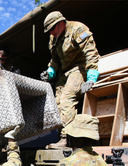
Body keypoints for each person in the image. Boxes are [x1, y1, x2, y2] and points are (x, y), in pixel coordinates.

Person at [42, 11, 100, 148]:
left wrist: (91, 76)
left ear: (61, 22)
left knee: (67, 99)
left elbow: (91, 52)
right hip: (65, 72)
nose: (51, 33)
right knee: (56, 103)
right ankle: (61, 135)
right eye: (48, 31)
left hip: (80, 68)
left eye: (52, 29)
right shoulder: (53, 38)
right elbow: (55, 60)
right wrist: (50, 72)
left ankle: (66, 138)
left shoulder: (77, 29)